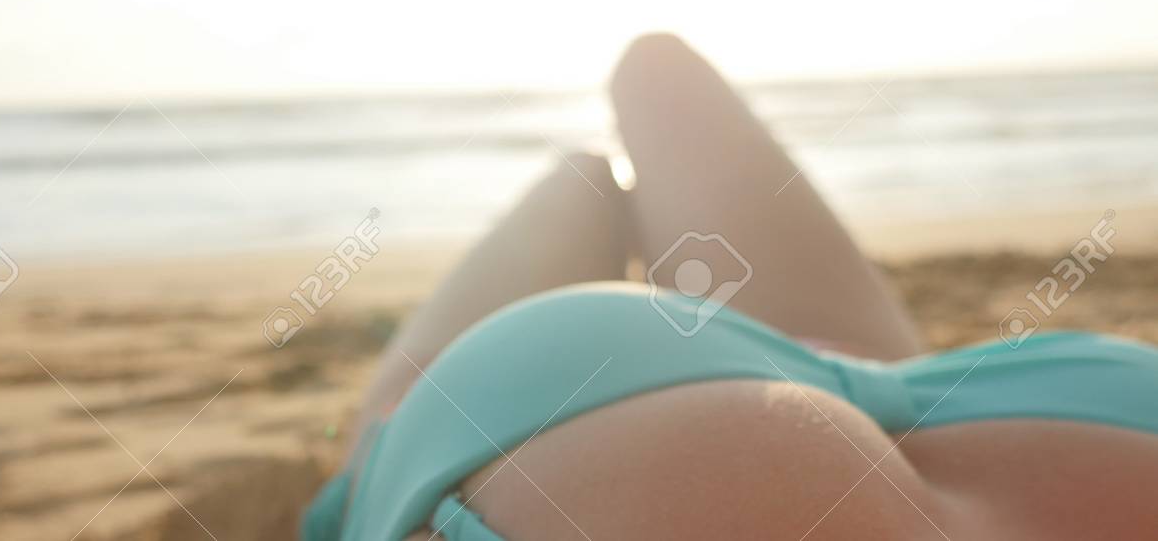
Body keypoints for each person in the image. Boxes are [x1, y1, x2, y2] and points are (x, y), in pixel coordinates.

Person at [303, 34, 1158, 540]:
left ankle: (589, 187)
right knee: (653, 75)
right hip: (918, 399)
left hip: (1070, 409)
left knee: (635, 106)